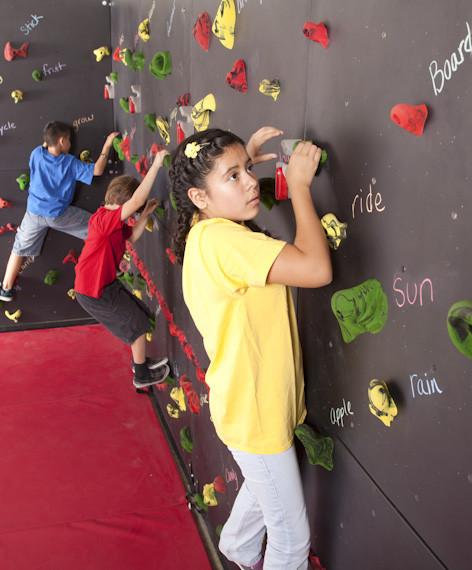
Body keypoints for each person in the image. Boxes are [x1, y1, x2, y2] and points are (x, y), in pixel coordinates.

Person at [170, 127, 332, 570]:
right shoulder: (226, 241)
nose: (249, 184)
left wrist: (240, 163)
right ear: (199, 197)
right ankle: (242, 548)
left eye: (247, 171)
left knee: (267, 492)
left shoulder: (205, 235)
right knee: (291, 539)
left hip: (244, 403)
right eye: (233, 177)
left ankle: (238, 547)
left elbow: (221, 186)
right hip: (254, 410)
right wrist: (298, 186)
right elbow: (316, 268)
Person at [0, 121, 119, 302]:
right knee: (96, 228)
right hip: (57, 215)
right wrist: (108, 144)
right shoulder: (69, 163)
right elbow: (98, 170)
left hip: (33, 213)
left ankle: (5, 288)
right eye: (68, 140)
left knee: (18, 249)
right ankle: (117, 249)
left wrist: (48, 142)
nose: (70, 143)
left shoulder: (36, 154)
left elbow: (46, 145)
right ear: (62, 141)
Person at [73, 149, 170, 389]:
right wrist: (156, 165)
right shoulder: (104, 220)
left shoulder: (112, 223)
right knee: (135, 324)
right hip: (93, 290)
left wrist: (145, 215)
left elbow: (132, 237)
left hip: (103, 285)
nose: (133, 212)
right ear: (121, 204)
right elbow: (136, 200)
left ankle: (142, 364)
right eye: (131, 208)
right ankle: (141, 374)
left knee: (138, 317)